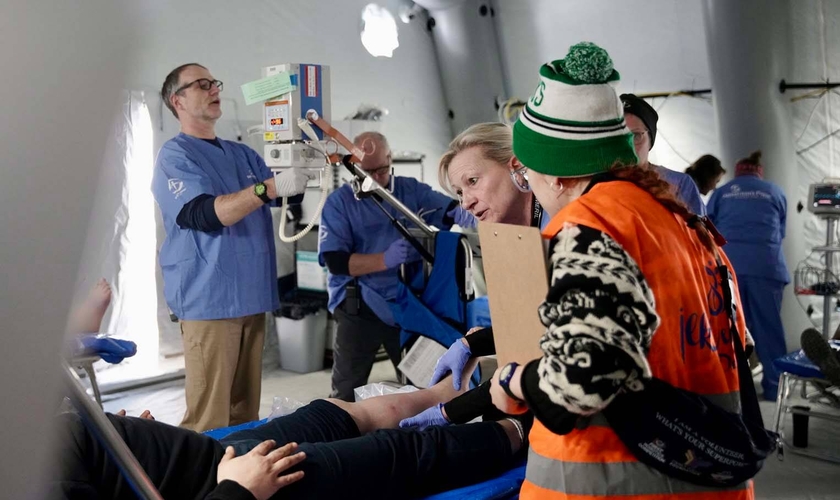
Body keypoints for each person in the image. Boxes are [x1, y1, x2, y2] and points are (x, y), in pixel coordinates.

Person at [481, 42, 754, 499]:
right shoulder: (684, 224)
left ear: (560, 175)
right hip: (708, 480)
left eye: (527, 175)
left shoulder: (592, 228)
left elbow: (584, 377)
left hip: (613, 484)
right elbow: (738, 345)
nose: (529, 187)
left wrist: (515, 380)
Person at [51, 359, 527, 500]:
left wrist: (119, 441)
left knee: (337, 413)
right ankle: (525, 429)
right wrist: (239, 492)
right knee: (400, 454)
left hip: (203, 459)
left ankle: (455, 392)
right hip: (225, 485)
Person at [152, 63, 314, 431]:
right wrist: (265, 188)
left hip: (251, 296)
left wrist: (300, 153)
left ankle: (239, 478)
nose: (214, 89)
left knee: (244, 413)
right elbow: (204, 215)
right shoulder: (175, 156)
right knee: (209, 417)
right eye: (202, 84)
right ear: (177, 100)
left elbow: (289, 195)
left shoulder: (242, 155)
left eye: (215, 83)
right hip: (209, 300)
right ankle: (199, 483)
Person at [318, 131, 475, 401]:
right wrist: (384, 259)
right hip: (359, 303)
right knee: (346, 387)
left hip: (407, 301)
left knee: (422, 381)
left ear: (390, 159)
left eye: (380, 170)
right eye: (366, 172)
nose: (374, 179)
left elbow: (450, 210)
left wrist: (477, 212)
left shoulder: (409, 190)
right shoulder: (339, 203)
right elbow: (335, 262)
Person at [707, 150, 789, 400]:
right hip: (767, 267)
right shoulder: (775, 192)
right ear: (759, 172)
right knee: (769, 327)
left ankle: (728, 387)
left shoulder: (722, 193)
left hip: (729, 267)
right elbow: (781, 230)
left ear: (737, 171)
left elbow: (708, 228)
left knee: (727, 328)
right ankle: (775, 387)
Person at [438, 122, 545, 229]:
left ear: (516, 166)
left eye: (473, 181)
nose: (466, 204)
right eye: (459, 192)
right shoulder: (504, 240)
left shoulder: (558, 217)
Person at [620, 93, 707, 215]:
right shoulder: (595, 184)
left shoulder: (678, 184)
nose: (627, 146)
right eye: (618, 137)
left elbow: (698, 232)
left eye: (636, 136)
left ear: (651, 141)